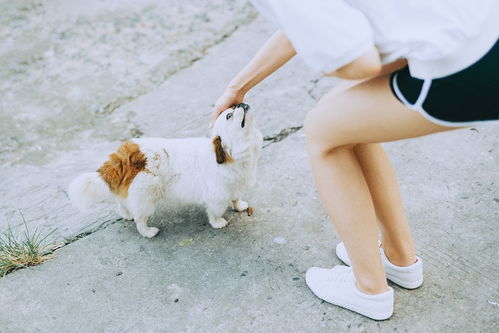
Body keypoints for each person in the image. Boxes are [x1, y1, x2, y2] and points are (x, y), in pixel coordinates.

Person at [209, 0, 499, 320]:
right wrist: (238, 87)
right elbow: (309, 19)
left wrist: (331, 51)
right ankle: (399, 258)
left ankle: (369, 289)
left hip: (468, 62)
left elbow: (359, 62)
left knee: (323, 132)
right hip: (483, 26)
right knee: (343, 118)